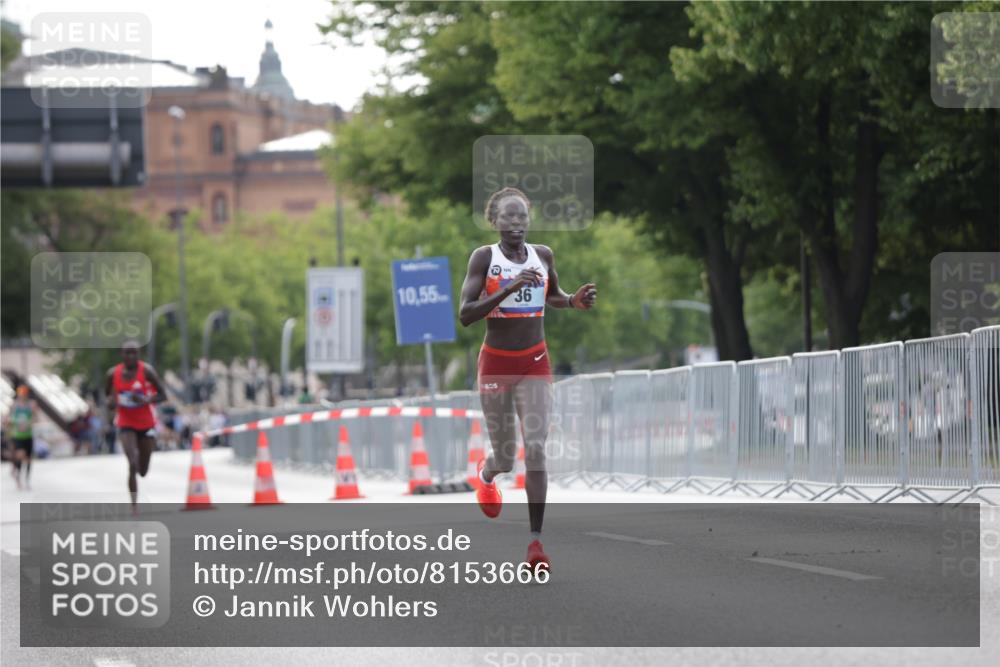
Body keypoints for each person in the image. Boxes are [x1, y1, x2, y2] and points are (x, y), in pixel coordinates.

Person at [459, 186, 597, 576]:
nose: (515, 223)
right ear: (495, 221)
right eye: (507, 217)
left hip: (535, 361)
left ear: (529, 220)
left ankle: (535, 544)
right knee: (506, 455)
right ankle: (487, 474)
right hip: (497, 366)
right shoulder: (484, 258)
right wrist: (506, 289)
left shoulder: (543, 255)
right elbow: (466, 314)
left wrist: (572, 301)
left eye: (521, 217)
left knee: (535, 447)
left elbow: (552, 294)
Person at [104, 341, 167, 511]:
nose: (130, 356)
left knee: (143, 471)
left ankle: (144, 457)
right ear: (121, 354)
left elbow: (163, 395)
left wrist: (146, 399)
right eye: (127, 353)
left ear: (139, 354)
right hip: (125, 422)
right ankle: (134, 506)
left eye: (134, 353)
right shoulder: (112, 374)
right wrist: (111, 402)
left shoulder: (146, 371)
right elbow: (107, 397)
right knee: (131, 463)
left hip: (146, 423)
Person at [5, 385, 36, 490]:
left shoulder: (31, 405)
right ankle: (18, 476)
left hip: (28, 435)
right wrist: (10, 423)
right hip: (17, 436)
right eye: (21, 394)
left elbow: (35, 418)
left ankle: (27, 480)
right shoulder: (14, 405)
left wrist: (28, 424)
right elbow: (8, 418)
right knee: (20, 455)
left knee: (28, 459)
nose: (22, 396)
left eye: (24, 394)